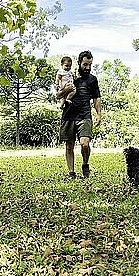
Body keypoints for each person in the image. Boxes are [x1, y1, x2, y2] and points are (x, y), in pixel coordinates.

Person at [56, 50, 102, 179]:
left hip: (85, 115)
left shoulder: (93, 79)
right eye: (85, 65)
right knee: (69, 145)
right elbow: (57, 95)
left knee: (84, 143)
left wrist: (99, 114)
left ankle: (85, 164)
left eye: (90, 65)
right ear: (79, 63)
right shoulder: (68, 76)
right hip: (68, 115)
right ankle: (71, 172)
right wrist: (65, 90)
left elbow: (96, 98)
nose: (87, 67)